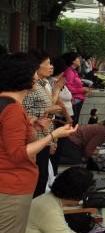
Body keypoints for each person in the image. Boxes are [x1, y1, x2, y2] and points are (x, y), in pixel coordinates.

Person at [0, 53, 77, 233]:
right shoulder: (10, 108)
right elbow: (18, 153)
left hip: (13, 183)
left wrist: (35, 125)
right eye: (33, 72)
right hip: (11, 186)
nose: (37, 75)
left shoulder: (11, 105)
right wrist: (53, 135)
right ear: (22, 77)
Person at [22, 50, 64, 196]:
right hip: (35, 139)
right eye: (48, 63)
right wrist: (47, 109)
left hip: (44, 137)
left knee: (42, 176)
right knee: (38, 177)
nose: (51, 67)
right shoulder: (31, 87)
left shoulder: (41, 84)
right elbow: (24, 111)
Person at [61, 52, 90, 124]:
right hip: (74, 100)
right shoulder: (69, 72)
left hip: (77, 99)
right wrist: (82, 89)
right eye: (78, 58)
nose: (79, 60)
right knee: (73, 123)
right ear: (73, 61)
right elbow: (68, 87)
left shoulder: (72, 71)